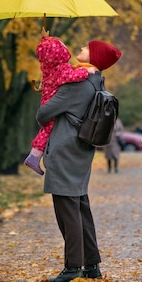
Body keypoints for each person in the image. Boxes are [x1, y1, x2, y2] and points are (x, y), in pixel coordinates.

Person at [35, 39, 122, 282]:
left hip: (65, 151)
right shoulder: (96, 82)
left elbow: (43, 114)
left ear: (93, 57)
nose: (80, 49)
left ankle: (72, 266)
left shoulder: (77, 85)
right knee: (80, 206)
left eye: (86, 48)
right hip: (81, 151)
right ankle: (91, 264)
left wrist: (48, 92)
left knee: (67, 210)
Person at [24, 30, 96, 175]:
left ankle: (34, 156)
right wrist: (87, 72)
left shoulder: (47, 66)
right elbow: (73, 75)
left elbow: (48, 54)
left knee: (46, 129)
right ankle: (34, 156)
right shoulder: (61, 70)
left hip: (47, 97)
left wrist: (45, 40)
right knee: (48, 129)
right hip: (51, 100)